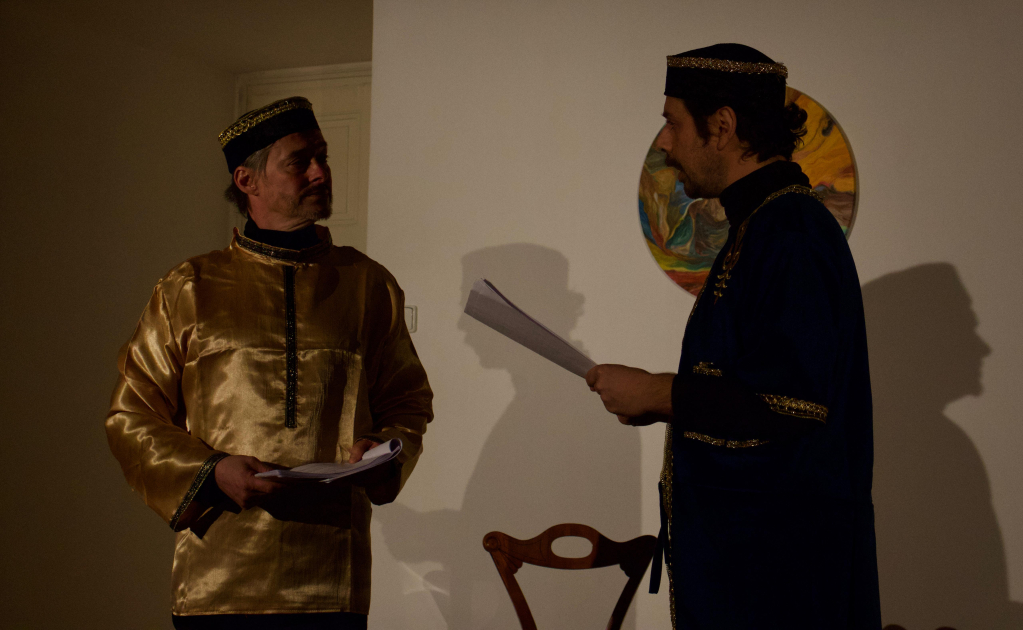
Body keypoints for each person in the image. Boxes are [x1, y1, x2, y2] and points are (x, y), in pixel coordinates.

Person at [105, 96, 434, 629]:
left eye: (323, 157)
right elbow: (131, 416)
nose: (320, 172)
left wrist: (383, 449)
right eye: (300, 161)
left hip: (332, 576)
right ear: (247, 180)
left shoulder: (367, 285)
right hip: (217, 577)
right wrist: (213, 472)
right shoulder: (188, 288)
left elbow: (408, 401)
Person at [585, 45, 881, 628]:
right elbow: (753, 391)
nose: (664, 143)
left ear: (722, 126)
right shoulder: (766, 225)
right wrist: (661, 402)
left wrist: (659, 392)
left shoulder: (791, 233)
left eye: (673, 122)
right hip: (756, 571)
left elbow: (791, 401)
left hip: (781, 582)